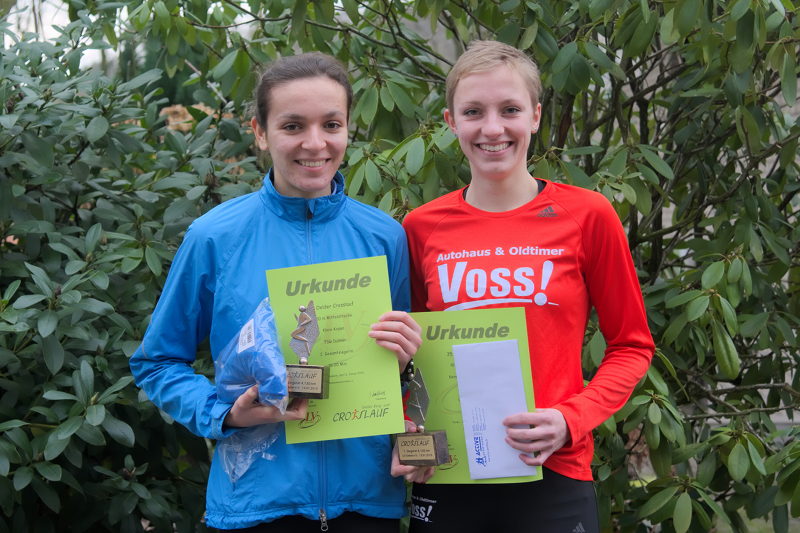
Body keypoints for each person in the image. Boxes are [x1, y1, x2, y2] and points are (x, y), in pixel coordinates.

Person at [129, 52, 422, 532]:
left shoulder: (384, 236)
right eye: (292, 125)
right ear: (260, 133)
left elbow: (405, 376)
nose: (315, 143)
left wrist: (408, 364)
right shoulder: (215, 238)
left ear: (349, 128)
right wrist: (224, 414)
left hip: (366, 504)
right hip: (256, 506)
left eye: (331, 124)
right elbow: (156, 362)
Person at [400, 40, 655, 532]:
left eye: (510, 110)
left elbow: (631, 346)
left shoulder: (588, 216)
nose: (492, 128)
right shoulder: (421, 227)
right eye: (473, 111)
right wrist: (411, 433)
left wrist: (571, 419)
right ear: (451, 122)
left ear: (535, 117)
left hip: (554, 471)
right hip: (450, 470)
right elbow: (406, 360)